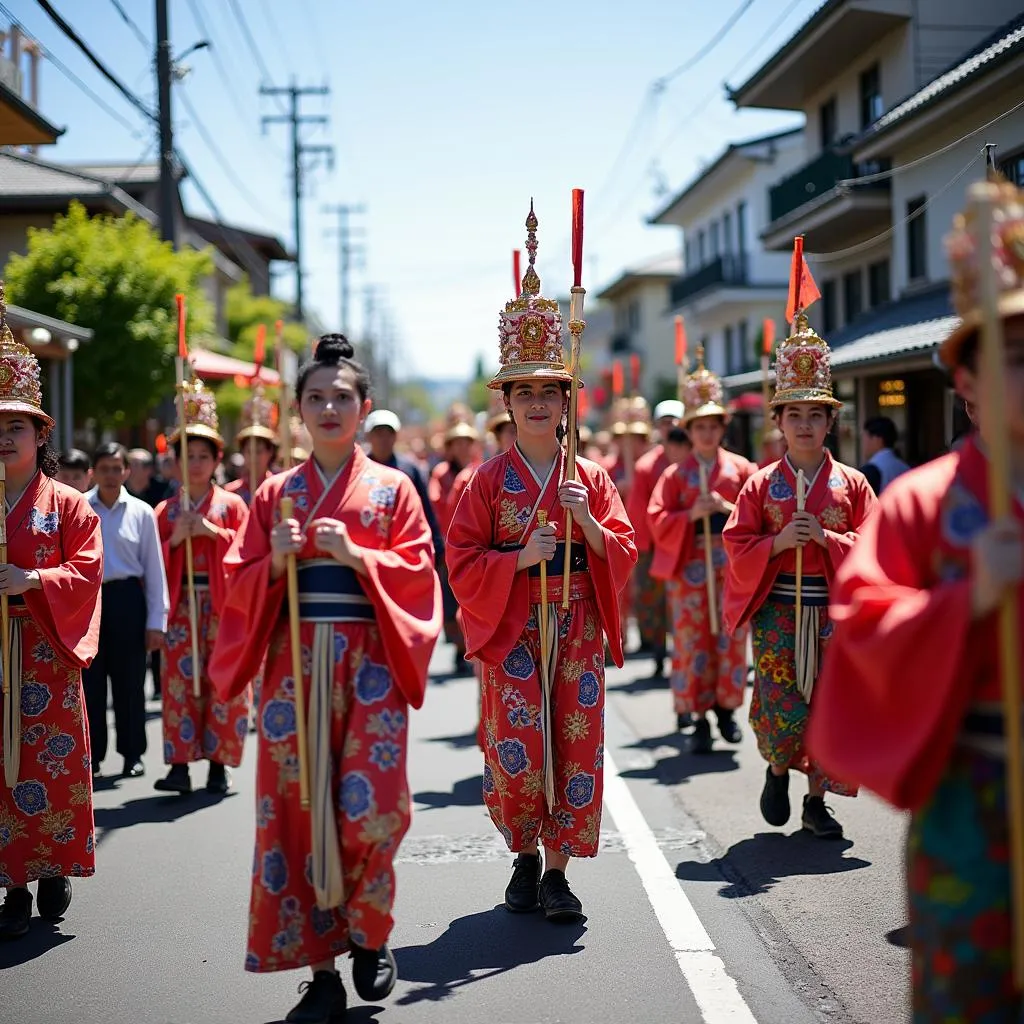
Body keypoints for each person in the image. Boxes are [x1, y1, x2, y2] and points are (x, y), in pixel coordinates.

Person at [807, 179, 1024, 1020]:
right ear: (964, 376)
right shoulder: (921, 503)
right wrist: (967, 601)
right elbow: (862, 625)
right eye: (1009, 353)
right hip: (974, 787)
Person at [210, 334, 440, 1022]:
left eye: (344, 396)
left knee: (371, 806)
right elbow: (234, 586)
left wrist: (362, 555)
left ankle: (369, 936)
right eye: (317, 397)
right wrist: (268, 563)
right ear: (299, 413)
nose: (331, 406)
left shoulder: (394, 489)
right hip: (293, 667)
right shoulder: (275, 494)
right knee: (298, 811)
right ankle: (320, 971)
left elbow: (421, 575)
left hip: (370, 663)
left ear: (365, 407)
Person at [446, 206, 636, 922]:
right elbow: (460, 557)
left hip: (578, 622)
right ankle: (523, 856)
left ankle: (558, 872)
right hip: (513, 628)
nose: (534, 402)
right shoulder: (486, 483)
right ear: (508, 403)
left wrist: (585, 518)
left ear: (565, 400)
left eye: (546, 390)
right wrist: (515, 557)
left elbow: (625, 549)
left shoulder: (589, 475)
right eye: (521, 391)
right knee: (521, 748)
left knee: (576, 745)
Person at [722, 313, 876, 839]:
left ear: (830, 422)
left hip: (834, 612)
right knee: (781, 700)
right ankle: (777, 768)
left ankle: (817, 801)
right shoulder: (761, 485)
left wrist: (830, 541)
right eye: (795, 415)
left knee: (831, 706)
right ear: (779, 422)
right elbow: (735, 542)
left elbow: (876, 549)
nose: (805, 424)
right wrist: (777, 543)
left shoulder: (853, 484)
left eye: (816, 414)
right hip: (778, 611)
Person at [0, 288, 103, 940]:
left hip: (45, 650)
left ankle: (53, 866)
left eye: (15, 427)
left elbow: (88, 569)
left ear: (40, 436)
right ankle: (12, 882)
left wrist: (32, 576)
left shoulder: (66, 504)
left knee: (47, 764)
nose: (3, 439)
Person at [649, 352, 757, 747]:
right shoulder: (674, 476)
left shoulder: (743, 470)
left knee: (729, 637)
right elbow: (657, 518)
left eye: (714, 426)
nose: (707, 435)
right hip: (690, 565)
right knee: (693, 641)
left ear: (722, 429)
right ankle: (698, 718)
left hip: (729, 567)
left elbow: (758, 517)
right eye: (700, 428)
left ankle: (727, 711)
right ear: (689, 431)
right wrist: (691, 513)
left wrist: (727, 509)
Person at [153, 377, 249, 796]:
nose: (194, 463)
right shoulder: (165, 510)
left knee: (221, 681)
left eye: (202, 456)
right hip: (181, 606)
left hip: (223, 604)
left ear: (215, 461)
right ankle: (179, 764)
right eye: (187, 455)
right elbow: (152, 562)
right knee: (178, 685)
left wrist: (213, 533)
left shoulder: (232, 506)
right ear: (175, 461)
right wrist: (174, 540)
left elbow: (248, 555)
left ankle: (217, 762)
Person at [83, 443, 169, 779]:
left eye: (116, 468)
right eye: (103, 468)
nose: (110, 474)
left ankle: (132, 753)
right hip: (90, 602)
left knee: (131, 683)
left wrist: (155, 621)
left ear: (126, 471)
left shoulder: (142, 512)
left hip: (128, 600)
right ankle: (93, 756)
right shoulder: (80, 508)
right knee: (91, 684)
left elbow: (154, 569)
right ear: (94, 472)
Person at [626, 399, 682, 677]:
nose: (670, 426)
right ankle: (660, 652)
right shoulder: (646, 466)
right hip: (657, 545)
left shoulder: (696, 459)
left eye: (675, 420)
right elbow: (639, 509)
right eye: (664, 422)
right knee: (654, 602)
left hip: (687, 545)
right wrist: (643, 547)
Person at [430, 421, 480, 673]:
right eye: (457, 443)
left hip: (474, 544)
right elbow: (438, 505)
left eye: (466, 442)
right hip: (449, 542)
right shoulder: (441, 472)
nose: (462, 447)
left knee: (471, 597)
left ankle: (468, 648)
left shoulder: (479, 470)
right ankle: (460, 647)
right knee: (450, 599)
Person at [364, 408, 443, 561]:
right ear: (369, 436)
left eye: (389, 433)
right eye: (379, 433)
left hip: (403, 546)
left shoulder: (410, 470)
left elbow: (425, 510)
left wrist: (436, 544)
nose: (384, 438)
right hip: (368, 548)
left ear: (396, 436)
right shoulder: (359, 470)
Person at [226, 388, 279, 506]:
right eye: (249, 451)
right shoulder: (230, 492)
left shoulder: (280, 488)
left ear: (270, 452)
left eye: (259, 451)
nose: (254, 457)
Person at [859, 416, 910, 495]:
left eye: (865, 438)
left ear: (877, 439)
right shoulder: (906, 468)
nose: (863, 444)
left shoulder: (870, 471)